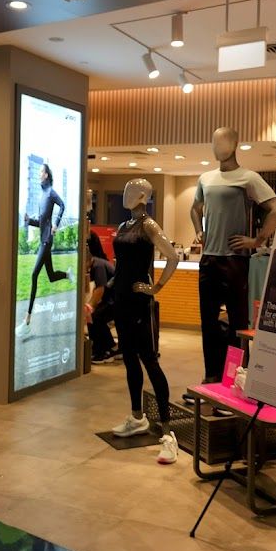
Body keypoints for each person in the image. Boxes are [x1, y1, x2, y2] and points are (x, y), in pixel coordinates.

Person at [191, 127, 276, 387]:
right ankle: (211, 375)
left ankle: (237, 375)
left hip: (235, 259)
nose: (215, 147)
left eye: (220, 141)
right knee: (208, 321)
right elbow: (195, 209)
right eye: (213, 142)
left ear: (234, 144)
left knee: (237, 322)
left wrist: (257, 240)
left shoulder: (248, 177)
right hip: (209, 259)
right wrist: (200, 232)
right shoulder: (206, 178)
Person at [109, 178, 180, 465]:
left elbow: (173, 256)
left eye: (132, 190)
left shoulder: (148, 225)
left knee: (150, 360)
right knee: (128, 358)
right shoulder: (123, 227)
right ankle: (137, 416)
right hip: (122, 299)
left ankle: (168, 432)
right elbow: (122, 263)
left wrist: (156, 287)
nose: (126, 193)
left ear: (142, 196)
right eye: (124, 188)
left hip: (140, 302)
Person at [16, 164, 71, 336]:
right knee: (51, 276)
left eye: (40, 172)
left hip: (47, 240)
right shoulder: (41, 195)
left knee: (33, 275)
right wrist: (28, 220)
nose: (39, 174)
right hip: (43, 240)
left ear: (46, 175)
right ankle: (68, 274)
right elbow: (40, 223)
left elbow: (62, 206)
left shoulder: (51, 193)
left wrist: (56, 224)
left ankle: (27, 321)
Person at [85, 241, 117, 363]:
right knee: (95, 316)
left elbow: (100, 289)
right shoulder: (96, 263)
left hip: (116, 301)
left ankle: (102, 352)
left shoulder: (97, 266)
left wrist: (89, 306)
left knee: (95, 317)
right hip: (113, 299)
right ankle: (110, 346)